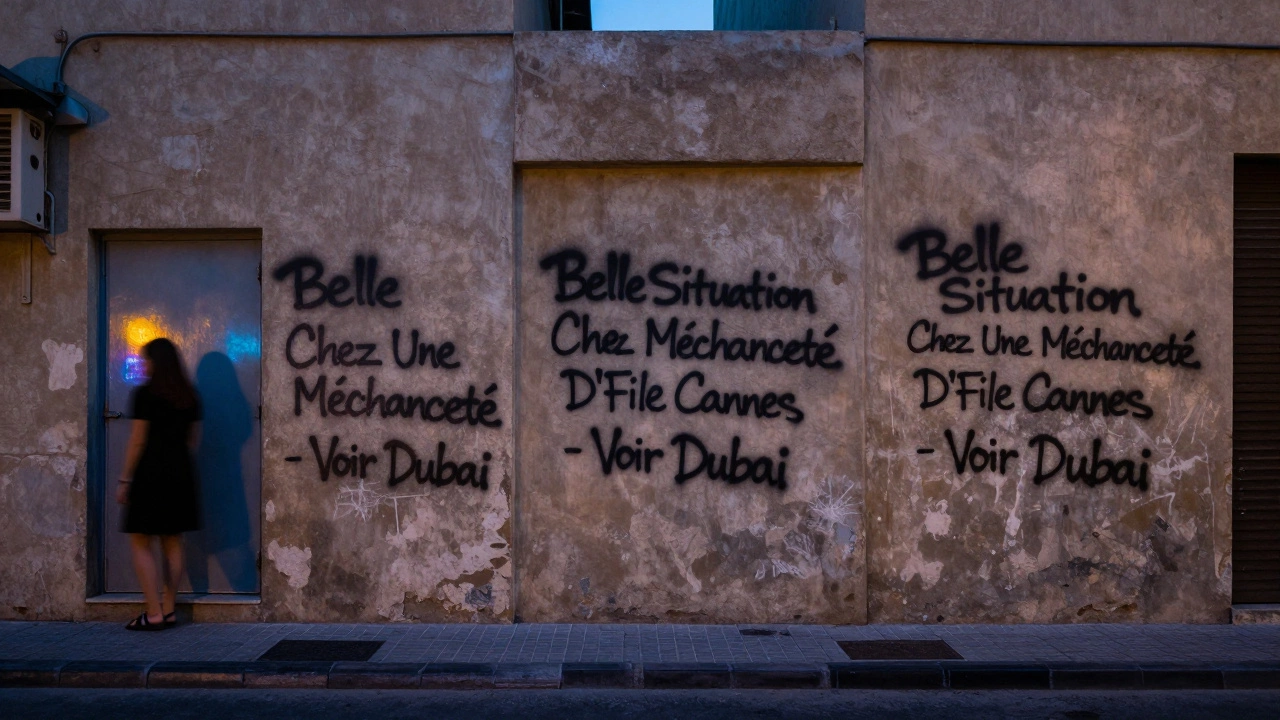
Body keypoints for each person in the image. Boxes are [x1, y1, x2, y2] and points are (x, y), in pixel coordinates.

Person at [116, 337, 202, 631]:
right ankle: (168, 610)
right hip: (180, 475)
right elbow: (192, 441)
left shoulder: (145, 395)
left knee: (141, 541)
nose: (144, 365)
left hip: (150, 474)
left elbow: (138, 440)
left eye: (147, 359)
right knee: (173, 541)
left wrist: (125, 478)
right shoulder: (190, 396)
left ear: (156, 362)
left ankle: (152, 613)